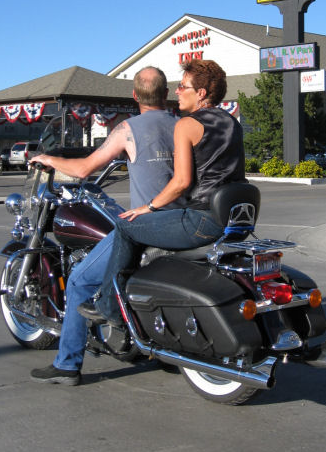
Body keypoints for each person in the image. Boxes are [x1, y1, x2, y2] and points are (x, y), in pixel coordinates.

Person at [30, 66, 180, 385]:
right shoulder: (182, 125)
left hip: (145, 224)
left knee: (79, 281)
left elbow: (85, 169)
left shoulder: (128, 129)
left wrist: (49, 159)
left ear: (134, 95)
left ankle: (67, 364)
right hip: (181, 222)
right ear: (166, 94)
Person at [79, 59, 246, 326]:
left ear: (201, 93)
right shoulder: (231, 122)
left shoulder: (187, 125)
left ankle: (109, 307)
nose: (177, 91)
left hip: (202, 220)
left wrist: (148, 207)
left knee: (125, 226)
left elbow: (181, 182)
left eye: (183, 86)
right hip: (234, 219)